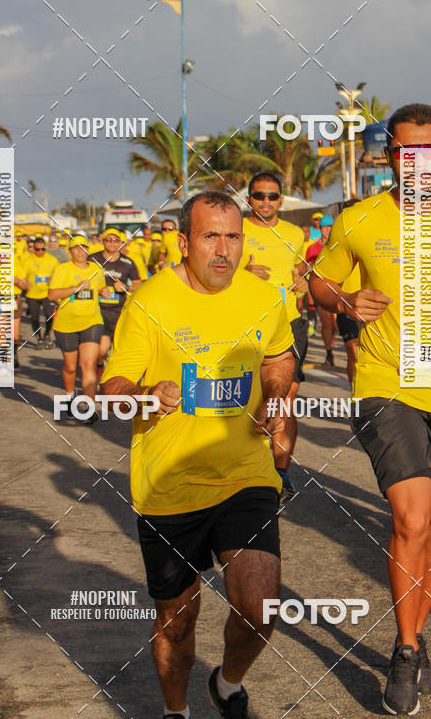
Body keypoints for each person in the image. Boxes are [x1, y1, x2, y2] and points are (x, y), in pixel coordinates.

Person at [310, 103, 431, 715]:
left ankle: (415, 639)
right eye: (405, 152)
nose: (418, 162)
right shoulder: (360, 219)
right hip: (383, 381)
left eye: (429, 150)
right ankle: (402, 649)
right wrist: (344, 297)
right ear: (390, 157)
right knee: (411, 519)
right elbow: (316, 282)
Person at [101, 191, 294, 719]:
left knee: (259, 607)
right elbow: (112, 388)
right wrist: (145, 394)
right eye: (211, 236)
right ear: (184, 242)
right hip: (170, 484)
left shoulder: (264, 297)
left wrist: (276, 395)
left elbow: (279, 356)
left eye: (233, 236)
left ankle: (227, 681)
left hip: (245, 474)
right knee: (178, 620)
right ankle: (175, 711)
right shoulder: (149, 301)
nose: (224, 250)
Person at [242, 171, 307, 503]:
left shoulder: (295, 234)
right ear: (248, 197)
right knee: (250, 398)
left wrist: (304, 282)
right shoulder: (235, 231)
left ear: (281, 199)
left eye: (272, 196)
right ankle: (249, 469)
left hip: (289, 323)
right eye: (258, 195)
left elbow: (300, 270)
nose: (265, 201)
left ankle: (280, 473)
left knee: (286, 399)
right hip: (245, 324)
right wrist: (242, 274)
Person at [48, 235, 106, 423]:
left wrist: (105, 292)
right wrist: (75, 288)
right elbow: (52, 295)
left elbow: (101, 290)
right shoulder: (63, 269)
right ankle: (69, 395)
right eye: (76, 248)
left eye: (84, 248)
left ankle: (88, 408)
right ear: (70, 251)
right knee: (71, 367)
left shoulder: (97, 270)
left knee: (88, 365)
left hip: (92, 321)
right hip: (66, 323)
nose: (81, 252)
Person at [88, 227, 141, 369]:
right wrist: (98, 289)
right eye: (108, 239)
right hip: (97, 311)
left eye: (115, 240)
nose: (112, 243)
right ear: (102, 241)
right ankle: (99, 370)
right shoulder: (93, 259)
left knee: (118, 354)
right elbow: (82, 280)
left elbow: (138, 284)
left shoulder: (128, 262)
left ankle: (108, 378)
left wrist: (126, 287)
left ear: (120, 243)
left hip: (119, 312)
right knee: (101, 351)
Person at [305, 216, 337, 366]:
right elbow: (306, 267)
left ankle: (334, 335)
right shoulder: (313, 248)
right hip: (323, 289)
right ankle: (329, 352)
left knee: (335, 323)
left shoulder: (338, 245)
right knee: (327, 322)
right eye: (325, 228)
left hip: (340, 288)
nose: (328, 230)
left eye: (330, 227)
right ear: (320, 229)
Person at [24, 237, 58, 348]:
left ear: (45, 248)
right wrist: (24, 283)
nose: (40, 252)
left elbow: (58, 275)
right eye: (37, 249)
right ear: (33, 249)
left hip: (47, 294)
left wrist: (53, 280)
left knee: (49, 316)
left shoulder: (52, 260)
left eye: (43, 249)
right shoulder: (28, 261)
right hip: (32, 294)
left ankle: (47, 334)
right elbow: (22, 276)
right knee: (35, 318)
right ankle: (39, 338)